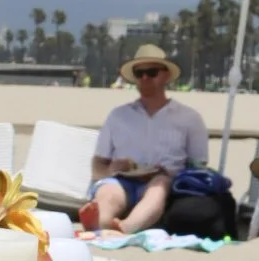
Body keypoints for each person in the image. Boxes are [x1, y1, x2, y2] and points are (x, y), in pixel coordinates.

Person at [81, 43, 210, 233]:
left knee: (159, 185)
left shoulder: (189, 118)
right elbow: (97, 165)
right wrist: (111, 169)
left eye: (151, 72)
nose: (144, 78)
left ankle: (125, 227)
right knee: (108, 192)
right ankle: (101, 222)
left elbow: (199, 167)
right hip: (121, 179)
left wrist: (172, 174)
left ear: (165, 75)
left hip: (165, 182)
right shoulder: (118, 116)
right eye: (139, 74)